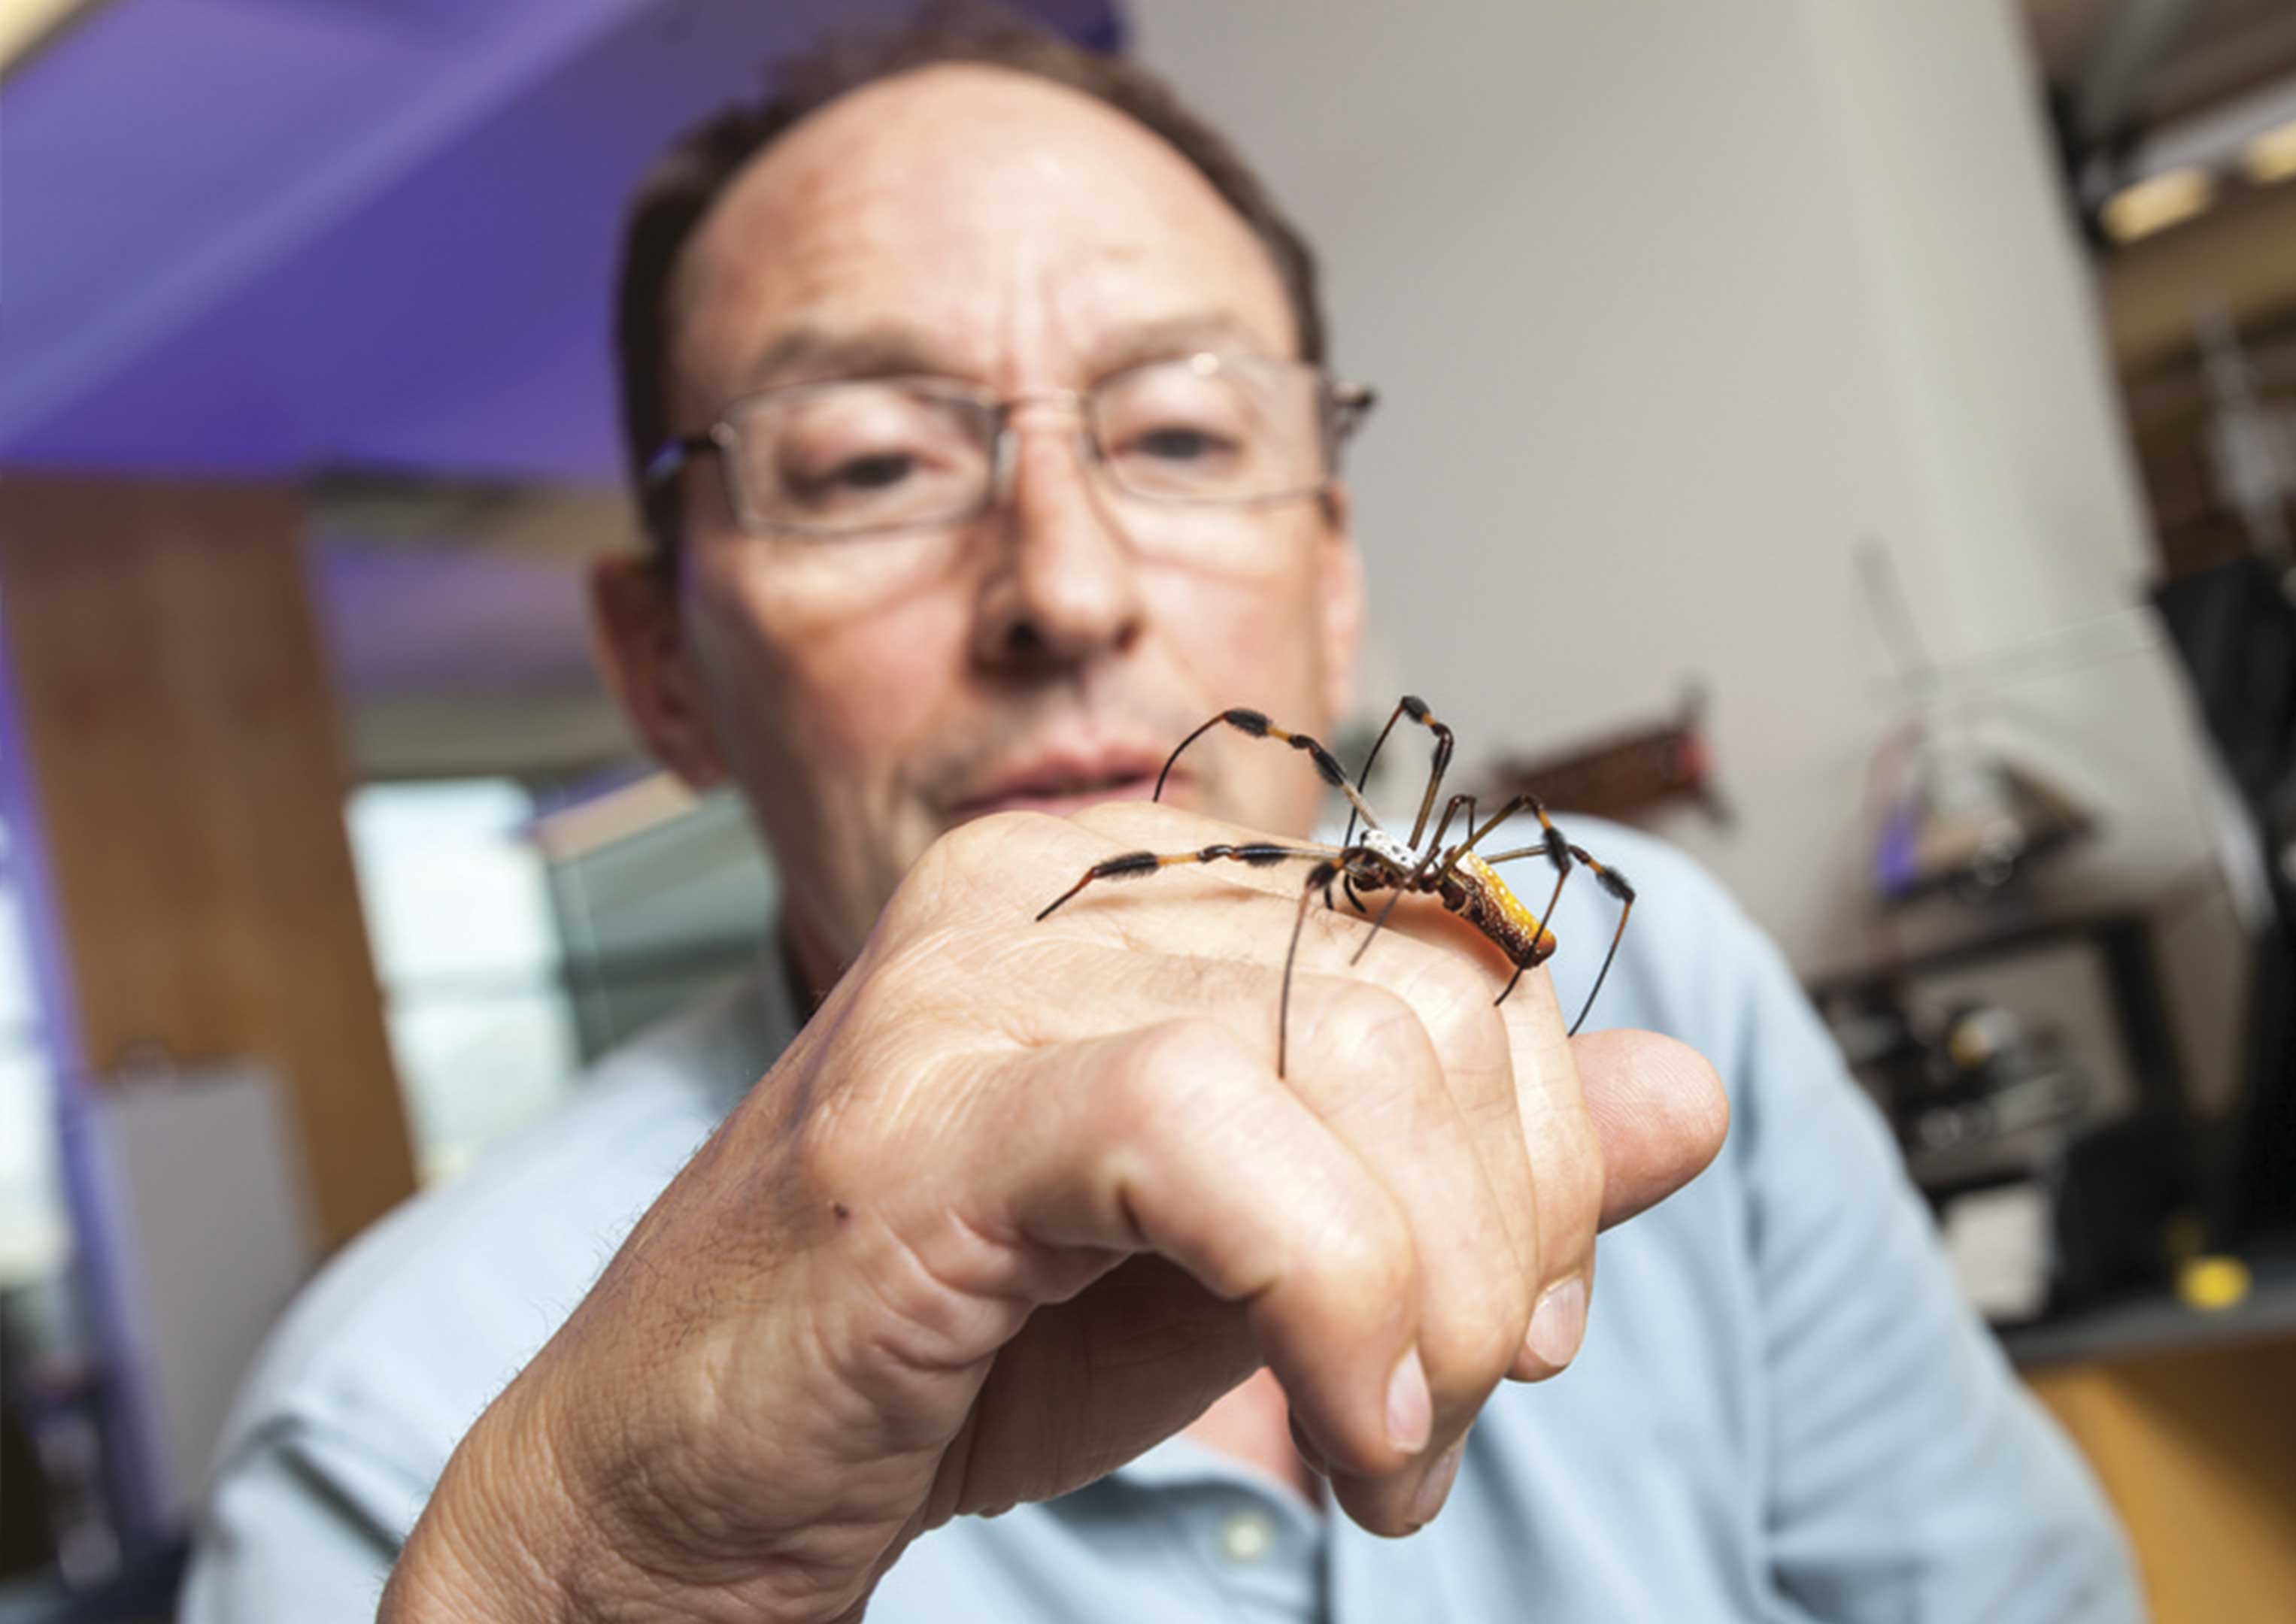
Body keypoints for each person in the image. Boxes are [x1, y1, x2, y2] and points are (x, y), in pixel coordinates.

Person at [181, 18, 2138, 1622]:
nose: (1066, 586)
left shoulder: (1673, 995)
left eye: (1185, 438)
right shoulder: (408, 1443)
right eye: (866, 464)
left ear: (1332, 575)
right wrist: (596, 1577)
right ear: (660, 670)